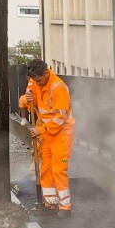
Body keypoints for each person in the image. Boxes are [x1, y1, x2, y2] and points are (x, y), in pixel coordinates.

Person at [19, 59, 74, 217]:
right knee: (46, 168)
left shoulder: (58, 88)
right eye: (35, 80)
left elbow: (60, 118)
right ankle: (50, 202)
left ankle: (65, 207)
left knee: (59, 169)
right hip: (46, 131)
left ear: (45, 73)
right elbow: (31, 100)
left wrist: (40, 129)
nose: (38, 83)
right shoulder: (34, 82)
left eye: (39, 80)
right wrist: (27, 99)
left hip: (62, 132)